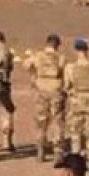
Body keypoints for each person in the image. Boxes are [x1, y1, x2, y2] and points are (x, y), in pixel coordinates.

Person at [63, 38, 89, 170]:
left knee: (76, 133)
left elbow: (66, 85)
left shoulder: (70, 67)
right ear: (86, 50)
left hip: (76, 101)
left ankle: (76, 159)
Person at [25, 34, 67, 163]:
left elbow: (26, 65)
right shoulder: (61, 57)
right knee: (57, 120)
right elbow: (64, 73)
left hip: (41, 88)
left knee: (41, 120)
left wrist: (33, 75)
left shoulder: (38, 56)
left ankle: (40, 149)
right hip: (55, 88)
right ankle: (58, 150)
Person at [0, 31, 18, 154]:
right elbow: (10, 68)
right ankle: (7, 141)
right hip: (4, 86)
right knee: (7, 112)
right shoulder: (7, 51)